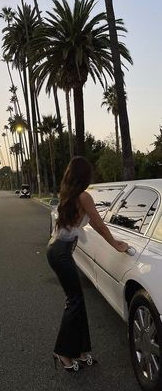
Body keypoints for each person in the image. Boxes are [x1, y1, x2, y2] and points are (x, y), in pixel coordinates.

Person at [47, 156, 128, 372]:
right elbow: (99, 225)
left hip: (57, 250)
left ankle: (81, 352)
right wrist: (115, 244)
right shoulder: (84, 196)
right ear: (85, 176)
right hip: (60, 253)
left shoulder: (70, 195)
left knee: (78, 302)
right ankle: (63, 351)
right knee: (74, 301)